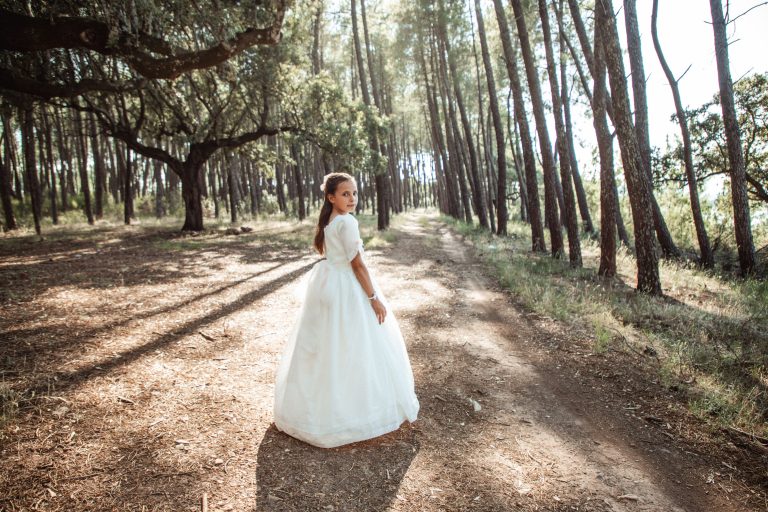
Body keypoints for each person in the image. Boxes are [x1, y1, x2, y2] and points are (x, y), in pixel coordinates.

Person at [273, 172, 419, 448]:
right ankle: (352, 412)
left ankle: (321, 406)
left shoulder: (329, 221)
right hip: (347, 288)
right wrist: (374, 297)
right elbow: (358, 265)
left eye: (354, 193)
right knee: (354, 344)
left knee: (329, 345)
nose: (351, 198)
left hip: (329, 285)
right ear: (331, 197)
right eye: (344, 194)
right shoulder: (347, 222)